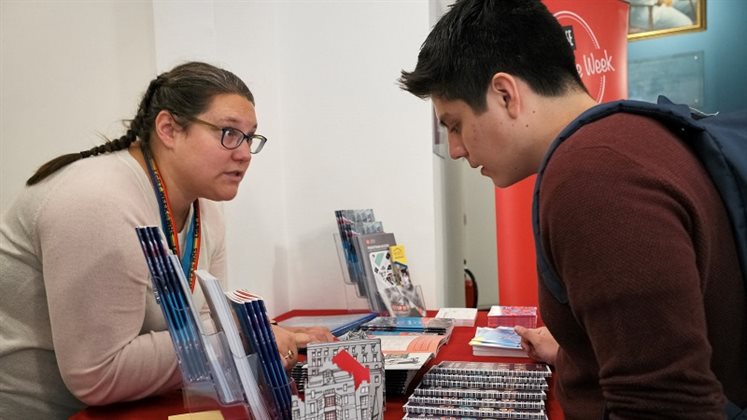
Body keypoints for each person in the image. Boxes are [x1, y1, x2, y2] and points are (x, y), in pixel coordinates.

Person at [399, 1, 746, 418]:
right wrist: (577, 351)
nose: (455, 149)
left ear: (505, 94)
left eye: (455, 124)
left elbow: (664, 404)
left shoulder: (592, 177)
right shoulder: (621, 142)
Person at [0, 61, 334, 419]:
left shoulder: (206, 205)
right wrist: (244, 332)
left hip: (138, 405)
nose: (243, 153)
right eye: (229, 133)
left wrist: (250, 332)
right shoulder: (97, 201)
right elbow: (99, 375)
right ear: (169, 129)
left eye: (249, 138)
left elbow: (205, 320)